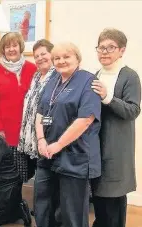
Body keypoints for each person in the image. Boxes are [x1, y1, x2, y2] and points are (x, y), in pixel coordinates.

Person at [35, 42, 101, 227]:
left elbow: (85, 120)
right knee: (43, 206)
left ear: (77, 59)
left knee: (72, 213)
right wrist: (41, 139)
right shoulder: (52, 79)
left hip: (74, 156)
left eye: (66, 57)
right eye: (57, 58)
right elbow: (40, 113)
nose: (61, 61)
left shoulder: (88, 81)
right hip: (47, 154)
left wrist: (58, 144)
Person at [90, 28, 141, 227]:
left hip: (117, 149)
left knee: (114, 202)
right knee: (100, 201)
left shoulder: (130, 76)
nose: (105, 52)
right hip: (96, 148)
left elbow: (133, 110)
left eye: (110, 47)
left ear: (121, 50)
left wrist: (107, 97)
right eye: (101, 47)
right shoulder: (95, 75)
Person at [0, 32, 36, 226]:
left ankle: (21, 206)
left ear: (20, 46)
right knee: (12, 174)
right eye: (7, 46)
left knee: (28, 171)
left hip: (30, 132)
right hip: (7, 132)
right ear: (3, 50)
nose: (11, 49)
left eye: (15, 45)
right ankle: (14, 208)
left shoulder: (33, 69)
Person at [17, 39, 61, 227]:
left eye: (44, 53)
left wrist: (45, 132)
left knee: (50, 190)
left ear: (52, 54)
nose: (40, 58)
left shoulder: (58, 77)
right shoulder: (36, 77)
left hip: (49, 140)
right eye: (36, 56)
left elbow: (53, 112)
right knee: (41, 190)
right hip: (33, 141)